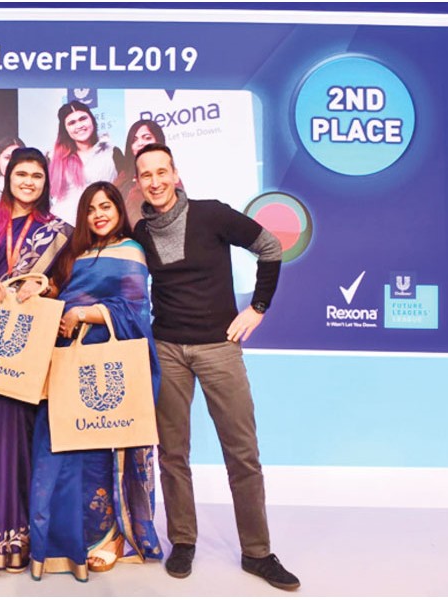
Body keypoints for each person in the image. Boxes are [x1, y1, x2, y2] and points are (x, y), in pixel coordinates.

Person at [130, 143, 300, 591]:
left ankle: (257, 553)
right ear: (138, 182)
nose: (155, 181)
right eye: (146, 174)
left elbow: (269, 247)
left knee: (242, 453)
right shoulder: (140, 234)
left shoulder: (211, 214)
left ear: (175, 173)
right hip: (167, 349)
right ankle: (182, 541)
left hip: (219, 348)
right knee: (172, 454)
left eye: (162, 171)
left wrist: (257, 309)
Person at [29, 182, 163, 582]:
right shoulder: (75, 254)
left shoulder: (130, 251)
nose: (99, 214)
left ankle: (109, 537)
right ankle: (55, 542)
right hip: (67, 360)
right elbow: (62, 295)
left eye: (107, 206)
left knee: (99, 454)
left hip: (108, 367)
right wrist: (48, 291)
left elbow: (137, 310)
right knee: (58, 449)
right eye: (91, 209)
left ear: (120, 211)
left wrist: (87, 315)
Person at [0, 147, 72, 572]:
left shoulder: (58, 230)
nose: (28, 181)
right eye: (21, 174)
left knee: (19, 439)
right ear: (7, 177)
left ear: (46, 183)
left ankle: (17, 536)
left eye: (37, 176)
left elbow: (63, 285)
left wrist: (44, 286)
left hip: (27, 346)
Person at [48, 100, 118, 226]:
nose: (79, 125)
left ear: (92, 120)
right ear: (65, 129)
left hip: (102, 223)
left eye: (82, 118)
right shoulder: (59, 160)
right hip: (67, 227)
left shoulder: (112, 152)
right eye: (72, 123)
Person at [113, 119, 177, 228]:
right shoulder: (123, 176)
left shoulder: (169, 176)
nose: (140, 143)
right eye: (134, 140)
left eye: (147, 138)